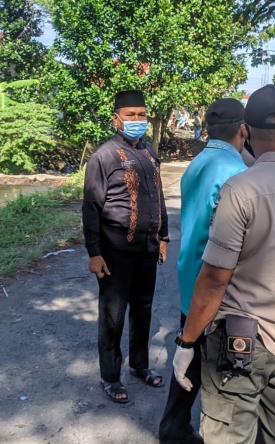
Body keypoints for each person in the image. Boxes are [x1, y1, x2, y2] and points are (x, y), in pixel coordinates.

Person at [171, 85, 275, 443]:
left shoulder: (240, 189)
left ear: (246, 130)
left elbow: (216, 278)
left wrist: (187, 343)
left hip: (239, 345)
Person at [159, 98, 248, 444]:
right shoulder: (236, 172)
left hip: (190, 276)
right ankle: (182, 430)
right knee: (214, 368)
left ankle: (174, 428)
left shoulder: (198, 162)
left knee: (190, 358)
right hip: (215, 283)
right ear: (244, 129)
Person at [82, 90, 170, 404]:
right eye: (130, 115)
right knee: (113, 316)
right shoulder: (103, 157)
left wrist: (164, 236)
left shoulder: (149, 153)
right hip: (114, 252)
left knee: (143, 311)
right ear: (115, 118)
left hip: (147, 249)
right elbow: (91, 207)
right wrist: (94, 253)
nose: (137, 120)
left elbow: (158, 196)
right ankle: (110, 376)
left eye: (141, 115)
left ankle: (139, 365)